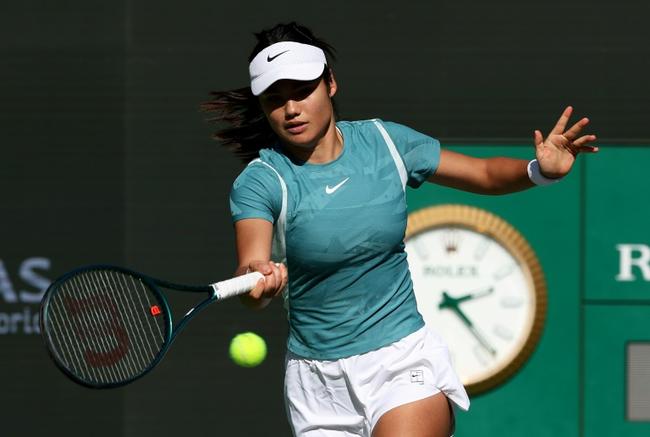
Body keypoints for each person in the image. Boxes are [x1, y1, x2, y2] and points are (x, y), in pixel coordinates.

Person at [203, 22, 598, 437]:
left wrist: (539, 171)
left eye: (302, 91)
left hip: (403, 361)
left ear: (330, 84)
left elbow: (483, 173)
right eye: (275, 100)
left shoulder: (386, 142)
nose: (291, 109)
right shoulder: (261, 181)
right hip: (317, 385)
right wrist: (258, 286)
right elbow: (252, 266)